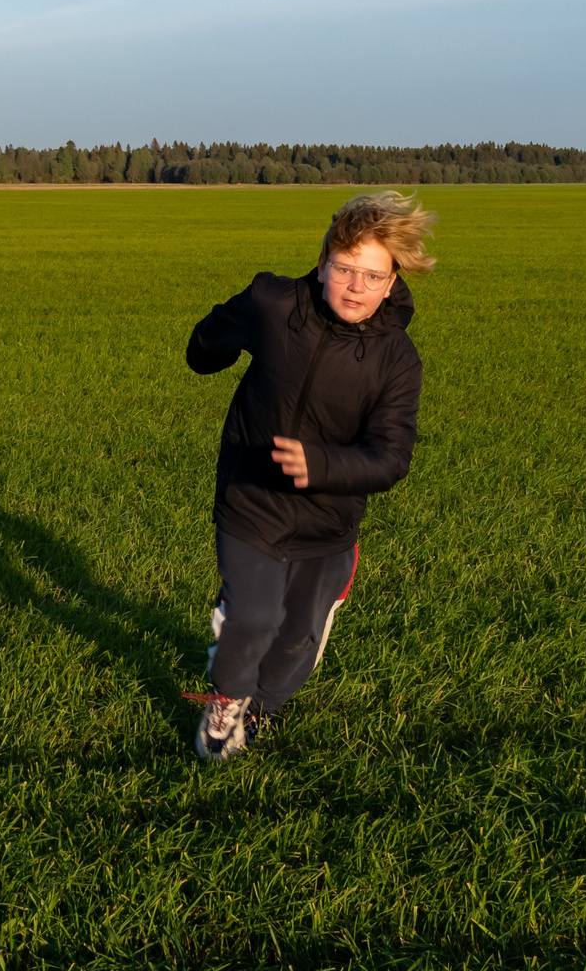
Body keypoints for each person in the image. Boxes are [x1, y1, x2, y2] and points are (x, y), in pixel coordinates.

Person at [184, 190, 434, 760]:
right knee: (253, 617)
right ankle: (227, 700)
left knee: (295, 640)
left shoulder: (397, 359)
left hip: (329, 524)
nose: (356, 287)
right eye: (346, 269)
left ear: (393, 281)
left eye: (373, 276)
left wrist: (318, 465)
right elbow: (203, 352)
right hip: (251, 502)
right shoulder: (275, 303)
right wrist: (223, 332)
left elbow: (392, 458)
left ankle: (265, 708)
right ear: (323, 264)